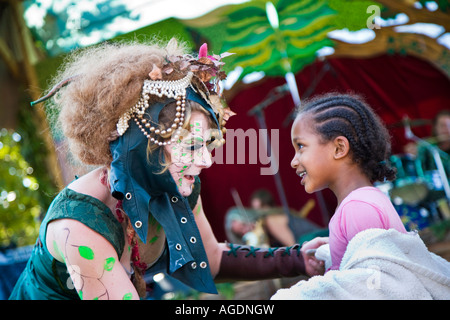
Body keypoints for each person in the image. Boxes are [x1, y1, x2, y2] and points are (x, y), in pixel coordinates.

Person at [10, 39, 326, 300]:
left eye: (206, 145)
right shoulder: (79, 226)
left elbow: (212, 259)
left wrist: (298, 258)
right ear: (139, 148)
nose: (207, 161)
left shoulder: (175, 187)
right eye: (190, 146)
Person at [289, 93, 407, 271]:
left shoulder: (357, 208)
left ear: (339, 148)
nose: (294, 161)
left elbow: (375, 284)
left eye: (301, 147)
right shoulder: (357, 204)